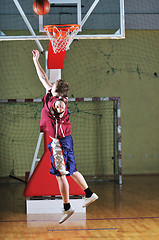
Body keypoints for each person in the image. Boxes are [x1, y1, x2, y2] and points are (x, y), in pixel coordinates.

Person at [32, 49, 98, 224]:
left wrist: (58, 110)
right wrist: (35, 61)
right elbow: (43, 77)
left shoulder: (59, 102)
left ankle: (67, 208)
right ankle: (90, 194)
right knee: (72, 170)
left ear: (58, 91)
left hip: (60, 142)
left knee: (61, 174)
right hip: (63, 140)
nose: (50, 84)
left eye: (53, 85)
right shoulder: (50, 93)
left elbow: (60, 110)